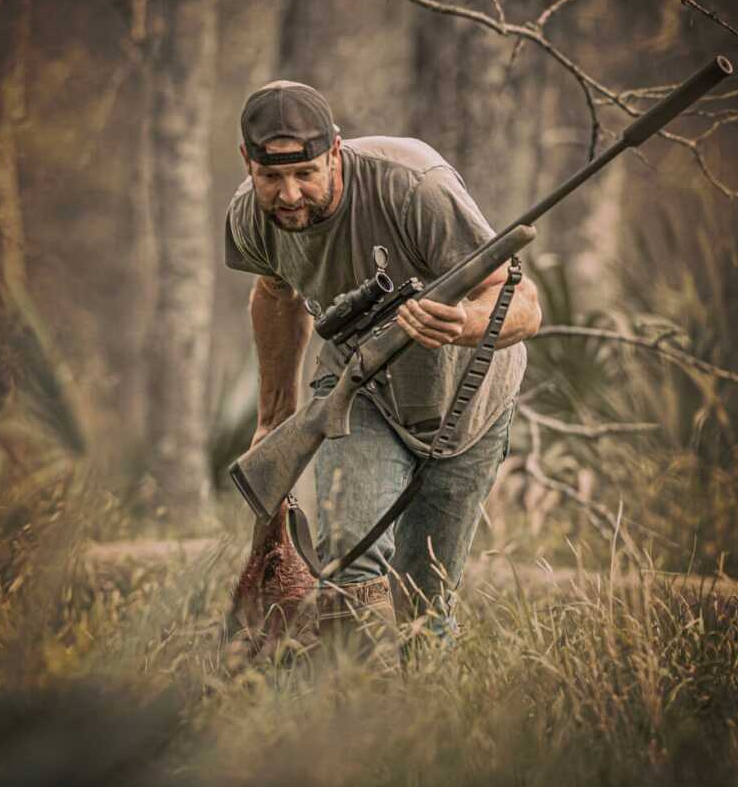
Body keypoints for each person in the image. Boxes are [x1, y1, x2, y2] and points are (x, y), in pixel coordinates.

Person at [224, 80, 541, 651]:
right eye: (271, 178)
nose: (289, 195)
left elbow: (523, 302)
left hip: (470, 403)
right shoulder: (251, 218)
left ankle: (413, 727)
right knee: (349, 563)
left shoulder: (415, 187)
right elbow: (275, 293)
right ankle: (355, 714)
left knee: (425, 602)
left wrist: (467, 325)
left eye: (306, 174)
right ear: (246, 162)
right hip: (360, 389)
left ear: (336, 152)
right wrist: (274, 417)